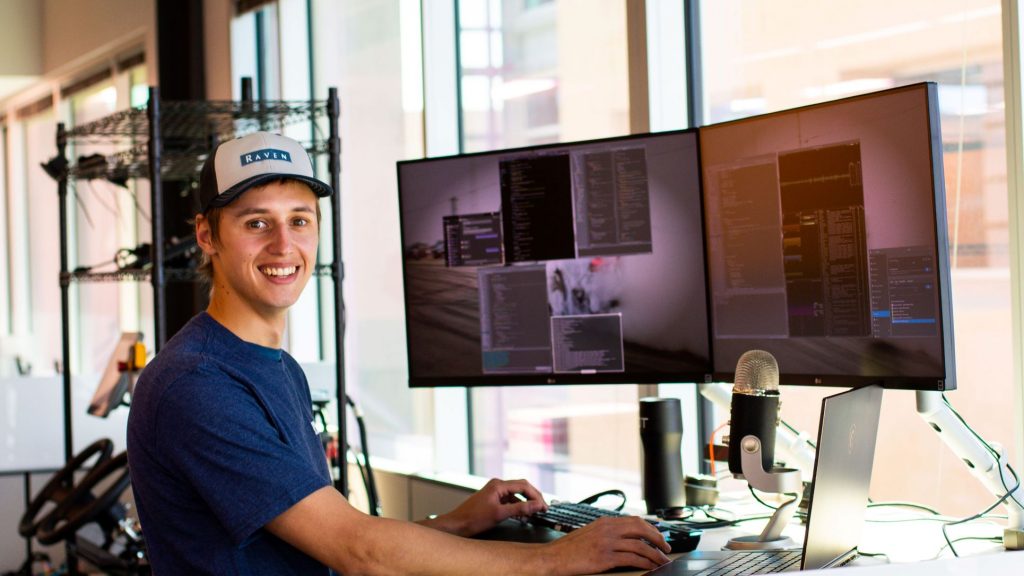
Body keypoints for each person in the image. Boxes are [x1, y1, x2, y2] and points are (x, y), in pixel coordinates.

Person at [126, 131, 671, 575]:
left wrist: (457, 523)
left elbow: (325, 543)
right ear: (206, 235)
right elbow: (355, 550)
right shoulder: (196, 383)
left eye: (299, 219)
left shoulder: (278, 370)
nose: (283, 245)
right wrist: (556, 559)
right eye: (255, 222)